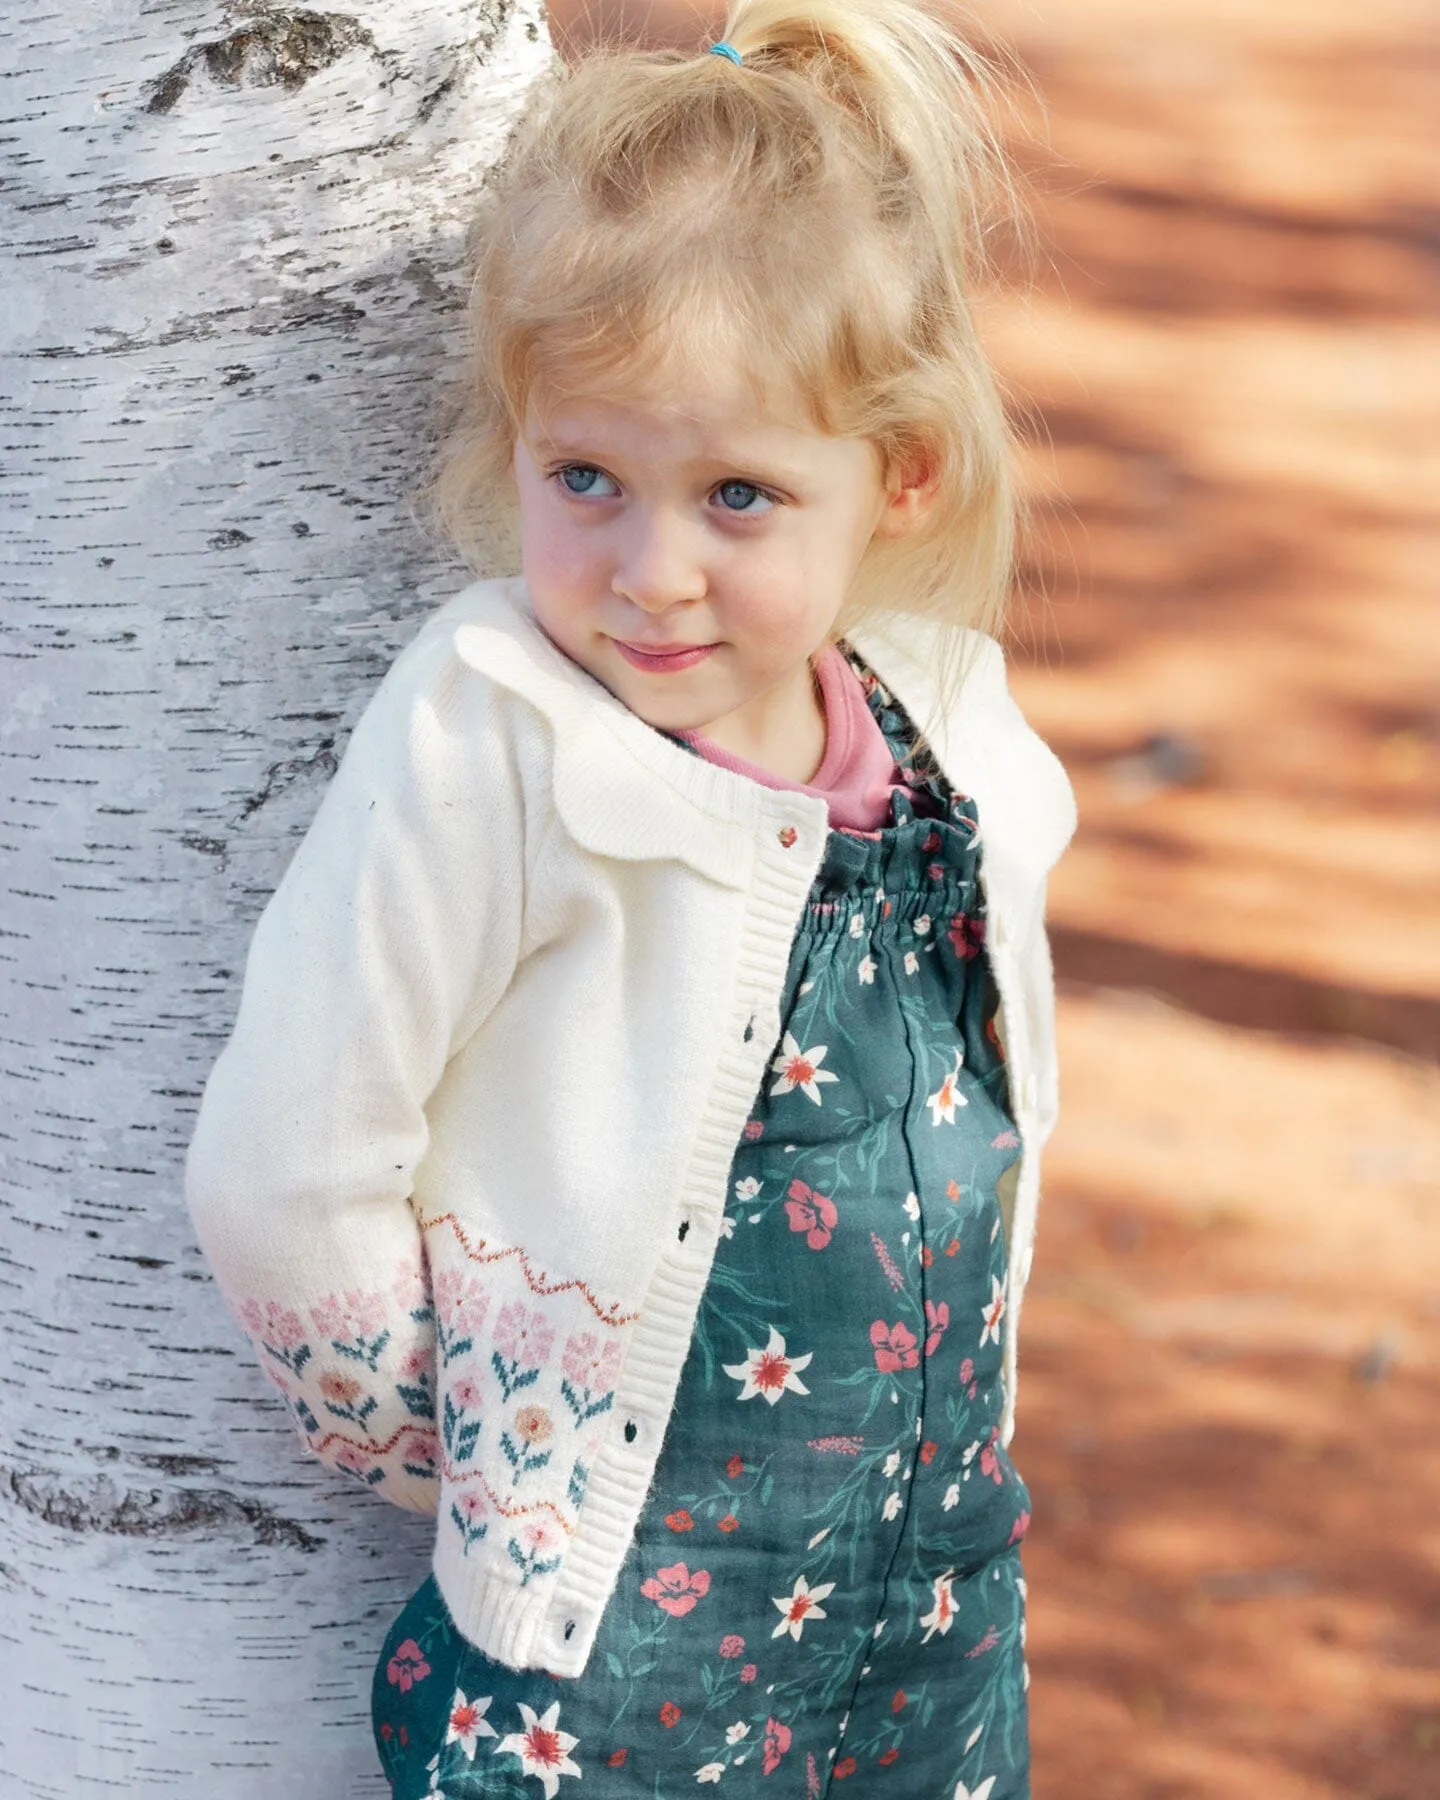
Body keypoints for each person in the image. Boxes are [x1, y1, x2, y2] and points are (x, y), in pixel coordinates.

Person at [183, 1, 1076, 1793]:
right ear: (516, 435)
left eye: (738, 495)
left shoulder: (948, 723)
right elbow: (285, 1162)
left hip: (935, 1613)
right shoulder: (494, 734)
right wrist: (459, 1454)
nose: (649, 573)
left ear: (894, 476)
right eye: (584, 477)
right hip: (610, 1655)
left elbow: (1007, 1098)